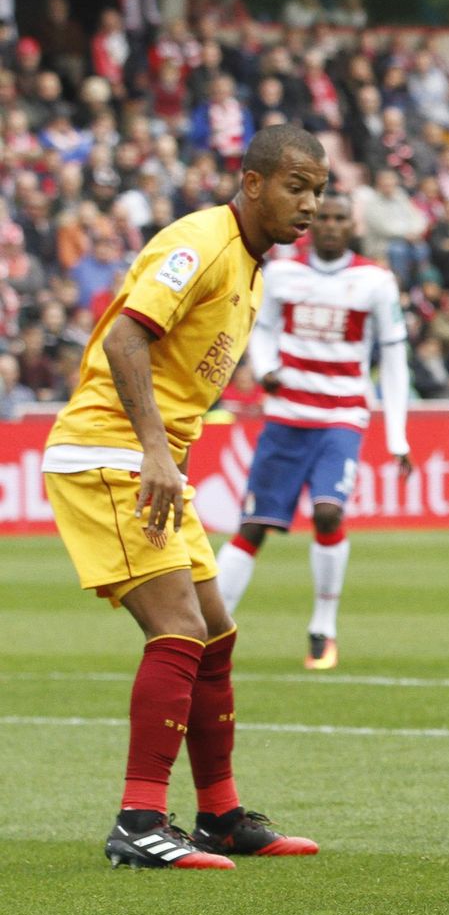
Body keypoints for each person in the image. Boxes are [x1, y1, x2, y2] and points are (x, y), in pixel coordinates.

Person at [41, 124, 329, 869]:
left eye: (320, 190)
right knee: (178, 628)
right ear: (254, 182)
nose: (310, 204)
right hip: (110, 454)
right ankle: (138, 820)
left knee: (214, 629)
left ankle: (222, 815)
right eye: (297, 187)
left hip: (150, 459)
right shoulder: (199, 241)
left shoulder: (252, 262)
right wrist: (157, 453)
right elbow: (125, 341)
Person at [213, 192, 413, 670]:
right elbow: (261, 329)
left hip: (342, 416)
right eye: (322, 217)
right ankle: (210, 629)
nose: (329, 225)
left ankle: (324, 625)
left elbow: (394, 357)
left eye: (339, 218)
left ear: (351, 225)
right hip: (286, 414)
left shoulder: (375, 281)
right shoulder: (283, 274)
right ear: (310, 224)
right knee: (253, 526)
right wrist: (265, 370)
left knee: (327, 513)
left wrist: (398, 438)